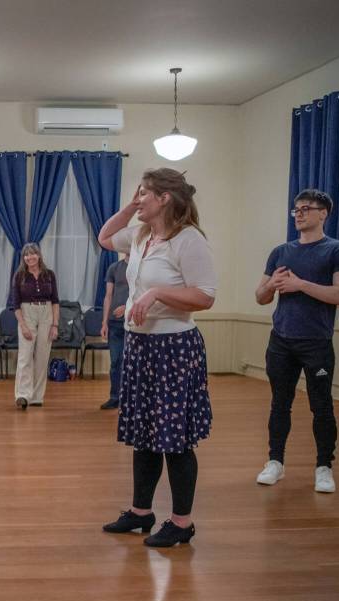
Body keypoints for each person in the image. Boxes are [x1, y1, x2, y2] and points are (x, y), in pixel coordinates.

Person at [97, 169, 217, 548]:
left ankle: (181, 523)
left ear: (165, 198)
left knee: (175, 439)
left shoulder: (188, 240)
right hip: (141, 347)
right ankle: (141, 512)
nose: (139, 198)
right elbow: (103, 237)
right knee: (143, 436)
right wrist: (132, 205)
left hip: (173, 349)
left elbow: (205, 296)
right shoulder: (141, 234)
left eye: (145, 193)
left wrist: (158, 294)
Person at [254, 189, 339, 493]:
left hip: (316, 342)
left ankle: (324, 467)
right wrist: (272, 284)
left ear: (323, 213)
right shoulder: (280, 252)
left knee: (321, 407)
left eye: (306, 209)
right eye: (295, 210)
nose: (298, 214)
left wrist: (300, 284)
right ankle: (275, 462)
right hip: (281, 341)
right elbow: (260, 297)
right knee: (279, 405)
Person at [9, 242, 59, 409]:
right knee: (25, 356)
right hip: (26, 313)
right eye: (26, 255)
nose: (30, 257)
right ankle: (22, 395)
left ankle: (37, 396)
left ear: (39, 255)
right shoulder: (19, 276)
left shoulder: (49, 275)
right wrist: (23, 326)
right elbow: (15, 305)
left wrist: (55, 325)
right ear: (23, 258)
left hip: (46, 313)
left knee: (42, 357)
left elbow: (55, 301)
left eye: (33, 254)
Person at [100, 252, 129, 409]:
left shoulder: (140, 267)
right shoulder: (114, 268)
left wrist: (127, 308)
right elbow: (108, 296)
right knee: (115, 362)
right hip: (114, 324)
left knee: (130, 362)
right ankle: (115, 397)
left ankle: (130, 399)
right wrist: (104, 322)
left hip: (134, 325)